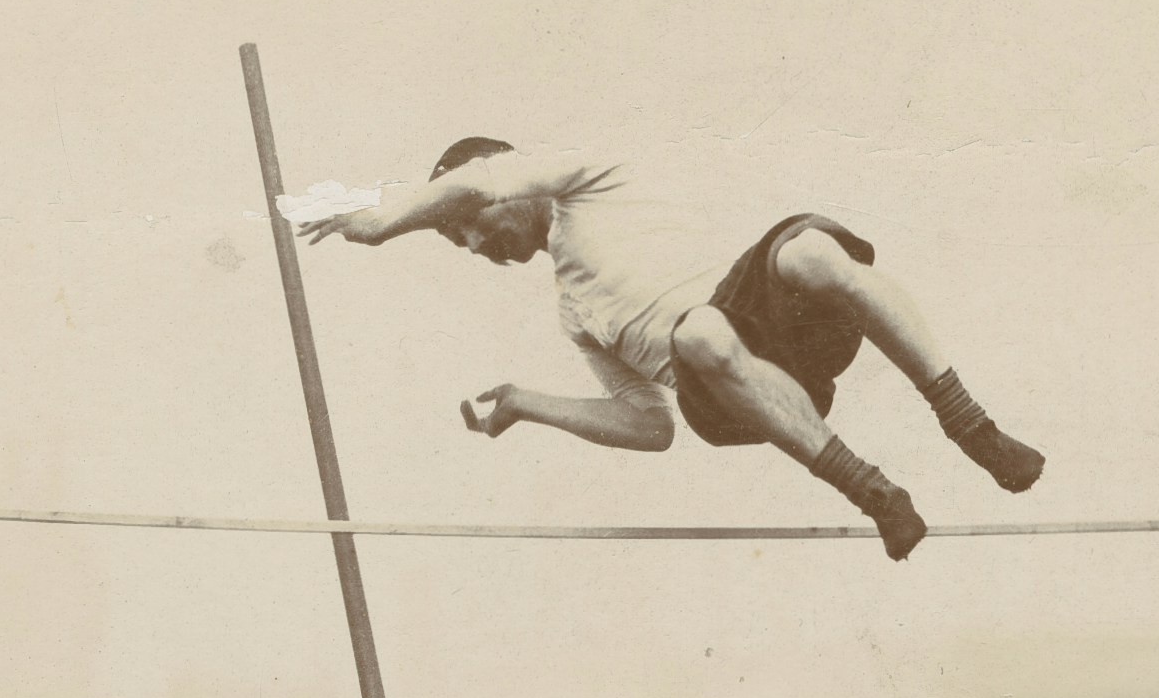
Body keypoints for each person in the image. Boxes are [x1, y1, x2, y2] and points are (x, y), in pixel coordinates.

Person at [300, 142, 1046, 559]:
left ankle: (969, 425)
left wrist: (383, 220)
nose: (471, 245)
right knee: (699, 332)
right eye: (458, 241)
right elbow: (651, 426)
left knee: (809, 249)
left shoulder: (588, 180)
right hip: (726, 393)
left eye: (464, 226)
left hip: (777, 332)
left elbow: (476, 182)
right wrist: (529, 405)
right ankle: (878, 495)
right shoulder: (575, 310)